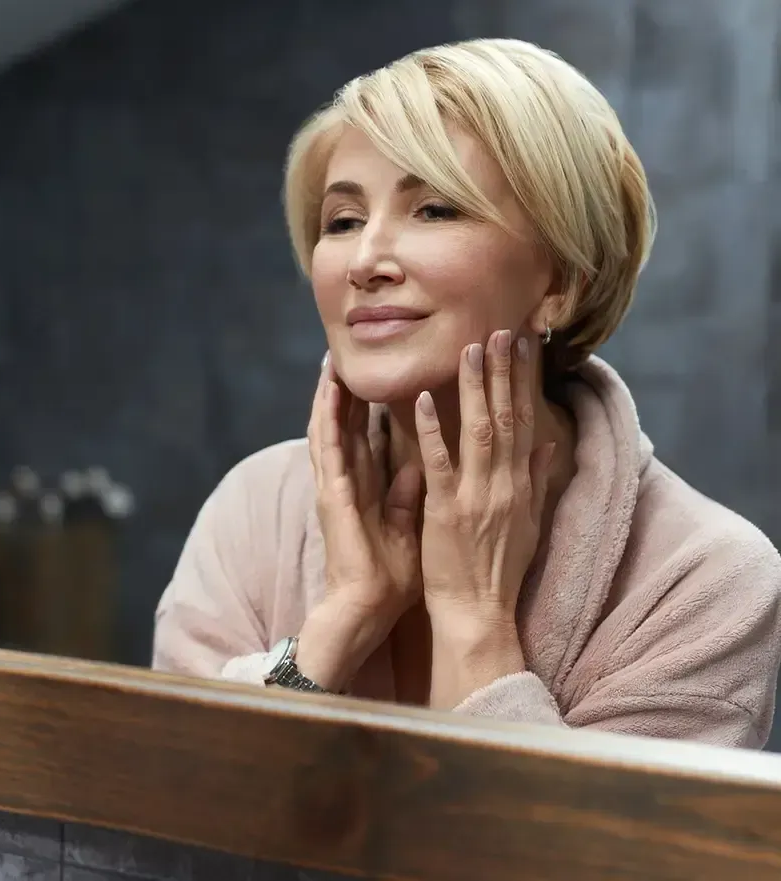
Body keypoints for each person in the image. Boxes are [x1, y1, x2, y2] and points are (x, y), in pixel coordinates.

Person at [152, 38, 781, 748]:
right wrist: (340, 623)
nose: (364, 262)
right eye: (343, 221)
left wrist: (475, 624)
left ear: (560, 283)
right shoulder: (254, 511)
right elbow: (160, 825)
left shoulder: (702, 577)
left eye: (435, 209)